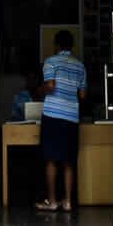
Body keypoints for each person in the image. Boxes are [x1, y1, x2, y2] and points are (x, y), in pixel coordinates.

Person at [36, 30, 86, 212]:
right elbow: (82, 94)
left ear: (56, 45)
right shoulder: (80, 66)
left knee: (50, 159)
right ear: (71, 46)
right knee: (69, 160)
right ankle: (68, 202)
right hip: (72, 116)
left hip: (53, 115)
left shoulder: (50, 62)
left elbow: (50, 86)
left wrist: (40, 90)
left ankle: (53, 201)